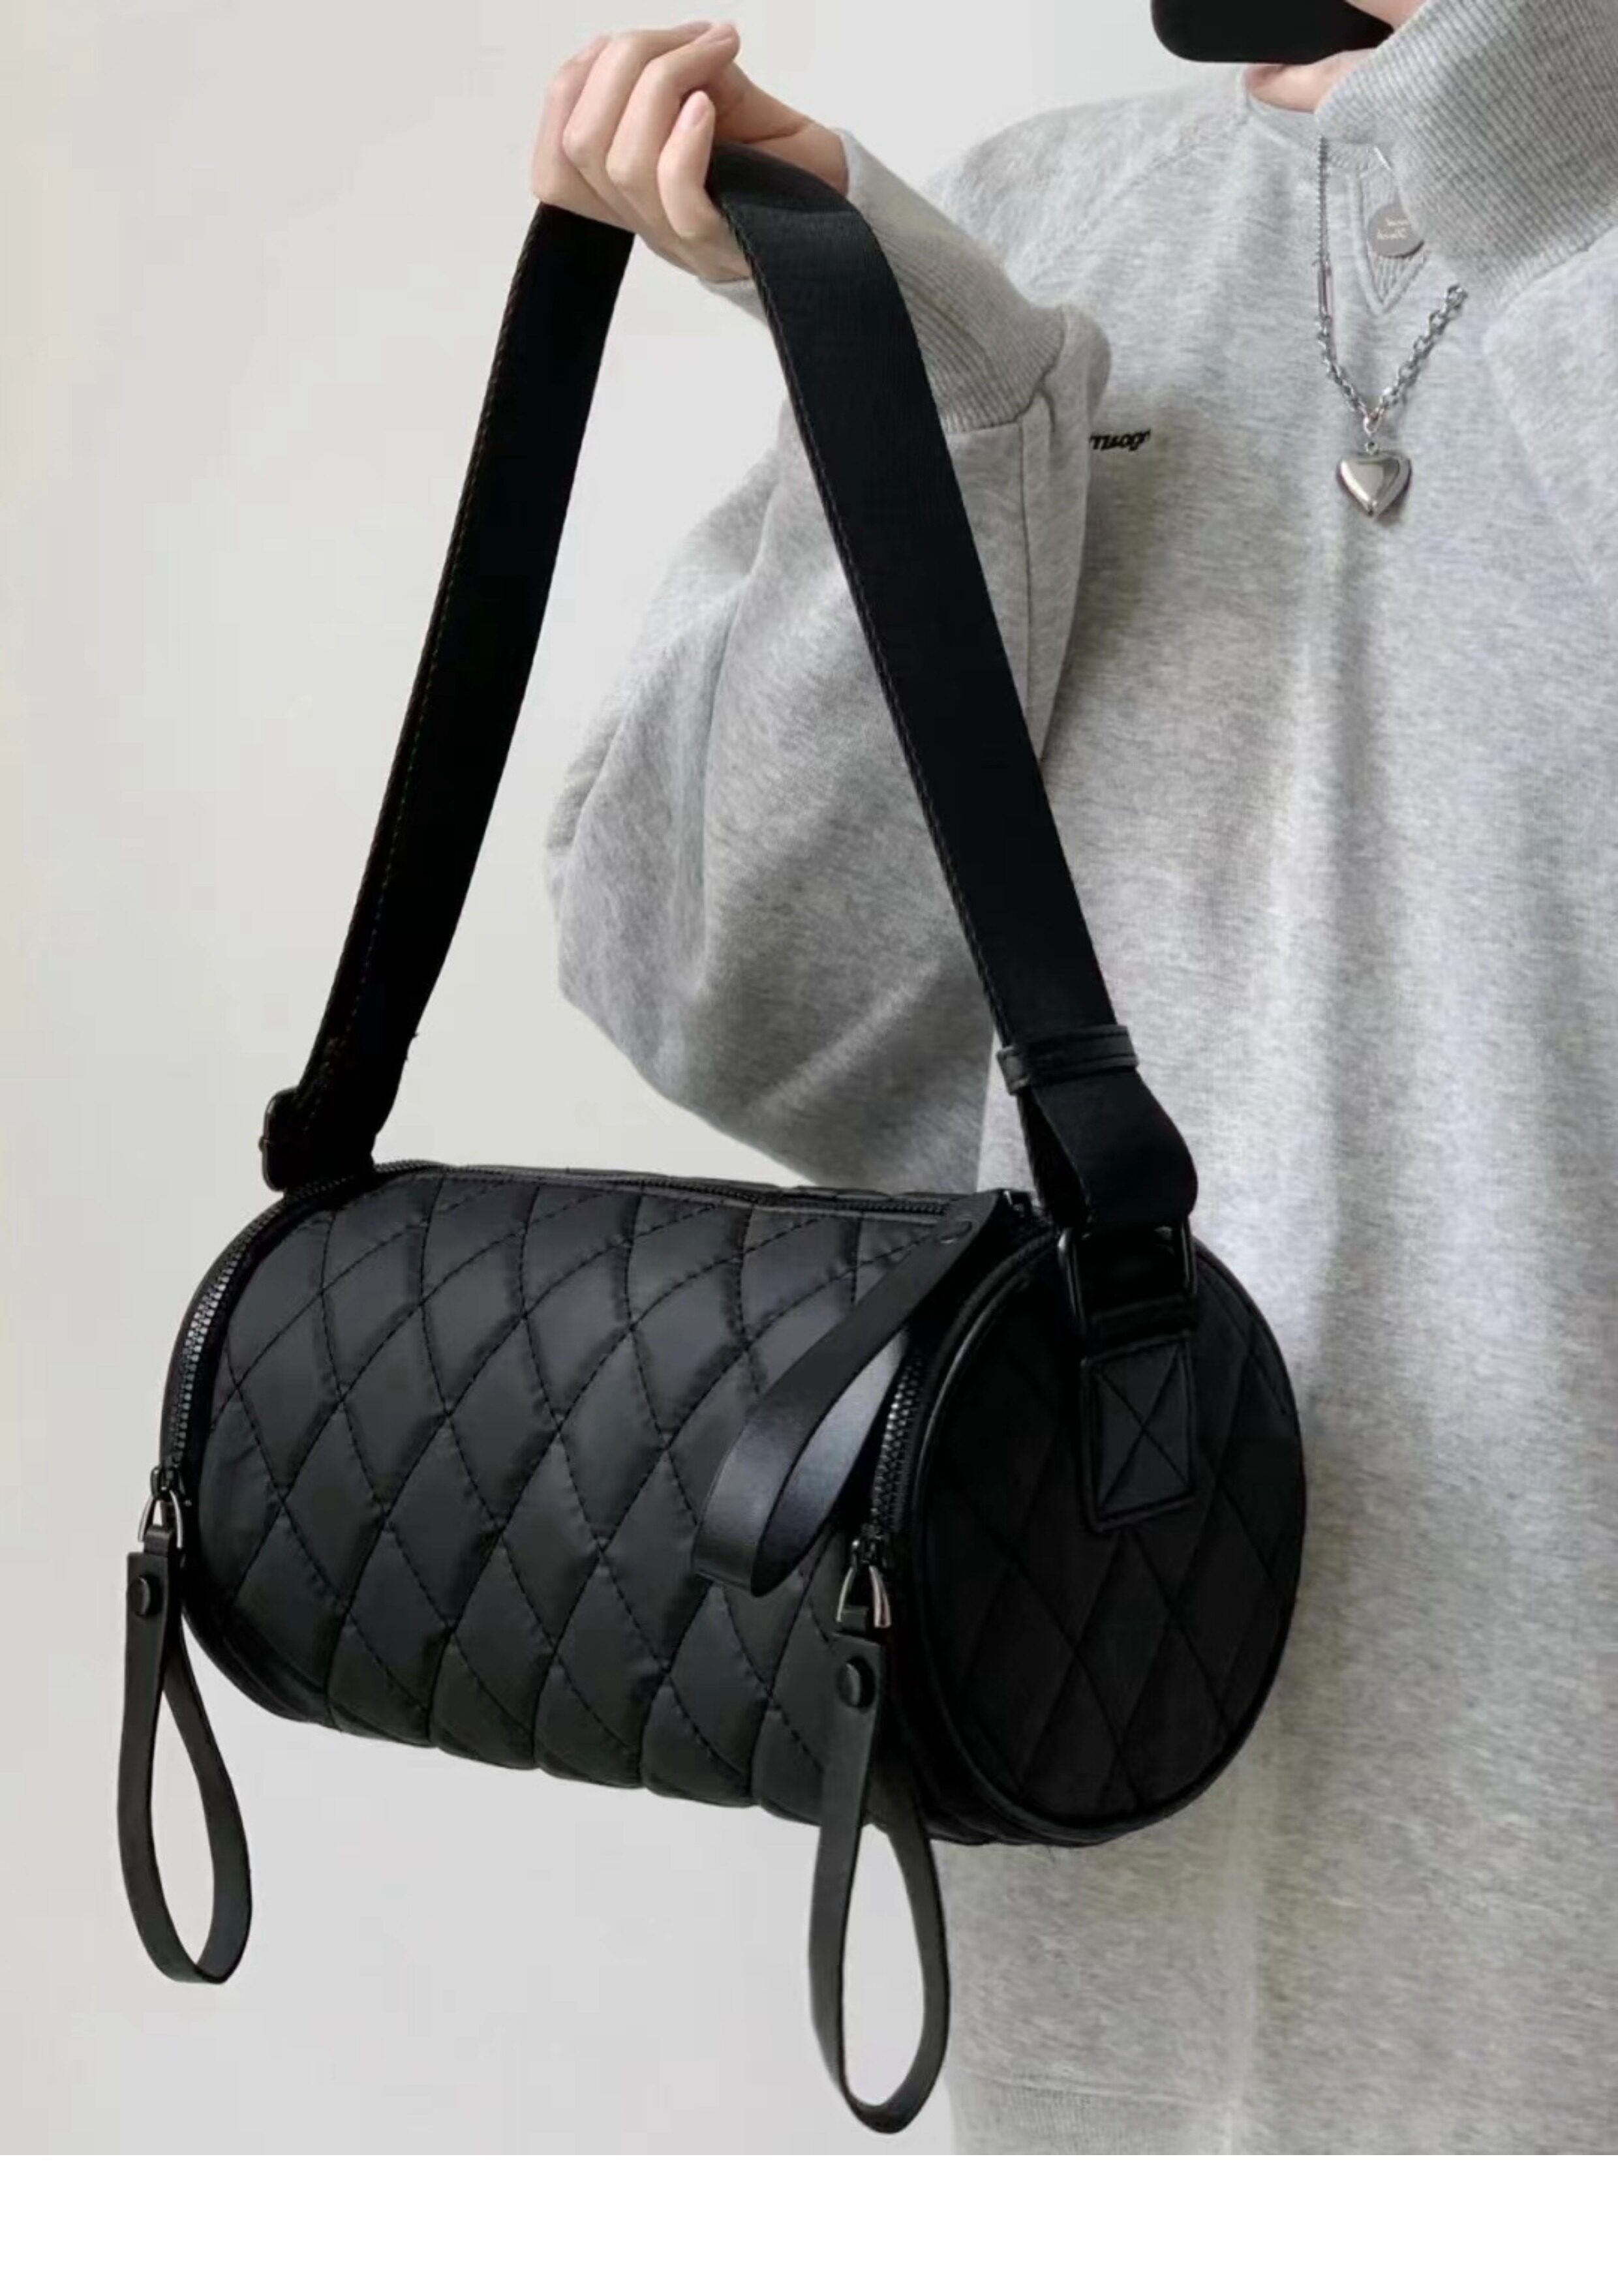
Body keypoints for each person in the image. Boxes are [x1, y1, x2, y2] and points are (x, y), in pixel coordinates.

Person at [532, 2, 1618, 2152]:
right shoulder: (1052, 219)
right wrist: (927, 397)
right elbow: (718, 995)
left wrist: (1521, 117)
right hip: (1128, 1871)